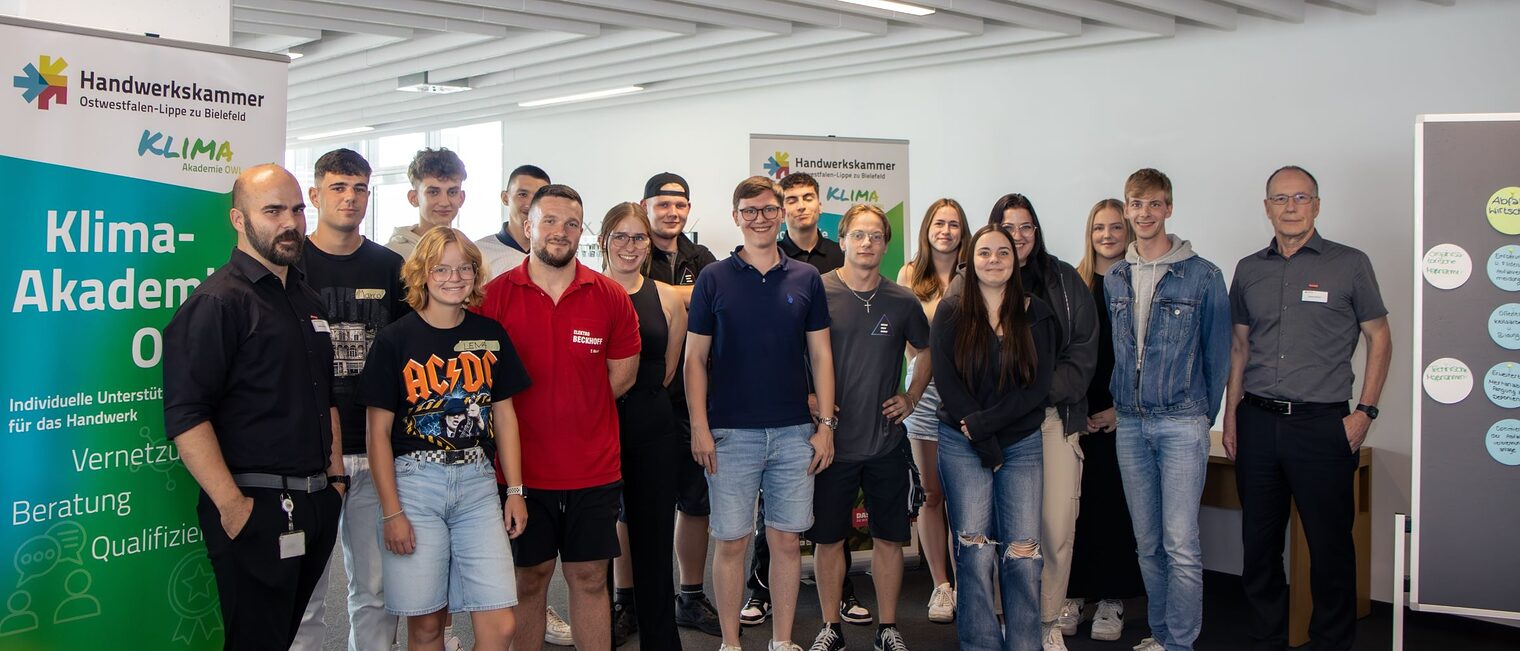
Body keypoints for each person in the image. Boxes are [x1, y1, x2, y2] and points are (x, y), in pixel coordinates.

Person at [163, 164, 344, 650]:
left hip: (313, 501)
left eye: (296, 210)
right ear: (239, 220)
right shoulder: (218, 303)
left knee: (279, 639)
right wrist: (233, 507)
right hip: (255, 506)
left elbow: (322, 394)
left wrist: (336, 483)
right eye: (272, 211)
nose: (290, 222)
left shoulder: (306, 298)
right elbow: (186, 414)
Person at [1223, 166, 1391, 651]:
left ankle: (1332, 643)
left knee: (1331, 549)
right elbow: (1240, 349)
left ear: (1317, 205)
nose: (1290, 206)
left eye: (1301, 197)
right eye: (1280, 198)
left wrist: (1366, 413)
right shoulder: (1249, 269)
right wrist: (1231, 417)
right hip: (1256, 422)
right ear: (1267, 207)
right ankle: (1266, 638)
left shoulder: (1350, 264)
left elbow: (1380, 338)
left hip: (1323, 425)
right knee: (1258, 548)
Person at [477, 184, 641, 651]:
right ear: (527, 226)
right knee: (530, 580)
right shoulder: (492, 298)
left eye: (571, 223)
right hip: (522, 472)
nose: (560, 232)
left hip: (593, 468)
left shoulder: (609, 295)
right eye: (549, 221)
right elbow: (483, 386)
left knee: (590, 577)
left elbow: (622, 375)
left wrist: (575, 405)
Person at [359, 227, 531, 651]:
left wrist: (515, 489)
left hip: (476, 483)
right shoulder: (395, 340)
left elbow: (504, 416)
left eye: (464, 268)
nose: (454, 277)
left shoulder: (491, 335)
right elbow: (377, 434)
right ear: (422, 274)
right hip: (416, 486)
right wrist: (391, 512)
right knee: (428, 627)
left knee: (501, 624)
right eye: (441, 269)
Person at [686, 176, 836, 651]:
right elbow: (693, 360)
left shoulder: (806, 278)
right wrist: (700, 429)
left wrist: (826, 426)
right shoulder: (714, 278)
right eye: (749, 210)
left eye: (768, 210)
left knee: (787, 543)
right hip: (730, 434)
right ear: (736, 217)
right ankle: (731, 644)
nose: (760, 218)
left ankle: (782, 643)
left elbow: (822, 357)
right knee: (731, 543)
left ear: (781, 214)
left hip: (794, 433)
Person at [1105, 168, 1230, 651]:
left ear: (1169, 208)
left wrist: (1201, 417)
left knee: (1180, 545)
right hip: (1131, 423)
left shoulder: (1203, 275)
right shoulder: (1116, 276)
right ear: (1127, 208)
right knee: (1147, 544)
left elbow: (1218, 357)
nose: (1144, 214)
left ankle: (1180, 642)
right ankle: (1159, 634)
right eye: (1136, 204)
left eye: (1154, 204)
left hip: (1182, 421)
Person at [292, 148, 410, 651]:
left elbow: (411, 350)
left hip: (378, 447)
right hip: (310, 452)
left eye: (360, 188)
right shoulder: (290, 262)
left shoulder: (389, 266)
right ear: (316, 195)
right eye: (339, 187)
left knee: (377, 590)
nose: (351, 197)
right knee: (305, 595)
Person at [745, 171, 872, 629]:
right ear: (781, 209)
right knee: (772, 507)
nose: (800, 206)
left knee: (834, 499)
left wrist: (826, 396)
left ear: (821, 206)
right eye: (792, 199)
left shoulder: (842, 256)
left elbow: (836, 339)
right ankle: (758, 590)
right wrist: (805, 391)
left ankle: (843, 591)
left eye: (808, 198)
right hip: (785, 395)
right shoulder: (770, 258)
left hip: (833, 395)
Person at [804, 205, 930, 651]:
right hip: (831, 442)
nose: (867, 244)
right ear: (841, 240)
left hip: (885, 443)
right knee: (828, 539)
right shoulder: (817, 291)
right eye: (858, 235)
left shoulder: (902, 300)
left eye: (875, 236)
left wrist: (911, 397)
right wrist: (809, 397)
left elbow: (925, 351)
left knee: (889, 538)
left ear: (885, 244)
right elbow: (793, 352)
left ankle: (888, 627)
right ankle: (829, 627)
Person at [931, 224, 1057, 651]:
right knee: (975, 550)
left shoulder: (1035, 312)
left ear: (1015, 259)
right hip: (961, 442)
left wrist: (989, 427)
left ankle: (1024, 644)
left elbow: (1037, 389)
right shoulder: (950, 311)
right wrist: (979, 436)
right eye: (985, 252)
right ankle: (981, 643)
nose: (994, 260)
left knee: (1023, 555)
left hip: (1020, 442)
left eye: (1003, 252)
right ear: (971, 258)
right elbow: (947, 383)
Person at [991, 195, 1099, 651]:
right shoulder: (975, 275)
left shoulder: (1064, 279)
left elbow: (1083, 352)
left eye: (1026, 227)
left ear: (1037, 231)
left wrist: (1037, 394)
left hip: (1055, 418)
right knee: (1007, 531)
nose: (1018, 237)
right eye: (1009, 227)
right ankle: (1007, 619)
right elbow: (967, 353)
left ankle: (1047, 620)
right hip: (1002, 425)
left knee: (1056, 527)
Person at [599, 202, 687, 649]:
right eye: (621, 237)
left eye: (638, 238)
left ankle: (661, 640)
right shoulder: (588, 292)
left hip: (652, 426)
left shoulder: (668, 297)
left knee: (653, 543)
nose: (630, 246)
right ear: (604, 241)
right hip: (597, 428)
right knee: (594, 547)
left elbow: (670, 369)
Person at [640, 172, 724, 638]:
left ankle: (690, 596)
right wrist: (683, 301)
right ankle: (626, 600)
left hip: (694, 400)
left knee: (695, 501)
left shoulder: (702, 258)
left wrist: (668, 299)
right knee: (633, 507)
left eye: (680, 204)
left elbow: (712, 305)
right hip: (642, 399)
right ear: (645, 205)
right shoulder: (633, 248)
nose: (672, 211)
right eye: (663, 203)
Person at [1066, 199, 1145, 642]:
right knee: (1074, 510)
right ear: (1089, 232)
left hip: (1122, 414)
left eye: (1117, 227)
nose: (1108, 235)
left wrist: (1121, 408)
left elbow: (1144, 355)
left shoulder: (1137, 283)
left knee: (1114, 509)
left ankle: (1113, 599)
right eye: (1099, 227)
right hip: (1078, 414)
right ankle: (1075, 593)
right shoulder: (1074, 284)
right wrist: (1078, 412)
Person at [896, 198, 969, 625]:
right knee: (932, 493)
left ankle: (969, 581)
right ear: (927, 229)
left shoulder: (974, 270)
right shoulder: (911, 273)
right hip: (923, 394)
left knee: (966, 496)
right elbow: (909, 337)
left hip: (967, 396)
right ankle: (941, 586)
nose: (945, 230)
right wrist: (926, 370)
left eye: (954, 224)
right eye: (939, 223)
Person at [388, 148, 467, 259]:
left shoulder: (468, 252)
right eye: (433, 192)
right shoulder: (392, 256)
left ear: (461, 198)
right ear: (413, 198)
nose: (444, 202)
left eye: (452, 192)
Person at [477, 164, 550, 282]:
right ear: (505, 198)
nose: (530, 204)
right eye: (522, 194)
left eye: (538, 196)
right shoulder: (479, 253)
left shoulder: (555, 253)